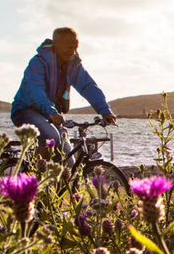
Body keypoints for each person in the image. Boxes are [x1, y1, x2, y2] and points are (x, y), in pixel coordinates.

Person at [11, 27, 117, 159]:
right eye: (69, 47)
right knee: (51, 136)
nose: (73, 52)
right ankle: (35, 177)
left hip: (50, 114)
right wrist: (52, 112)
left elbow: (88, 86)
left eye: (76, 47)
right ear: (56, 43)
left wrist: (105, 110)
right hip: (25, 110)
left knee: (67, 160)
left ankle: (61, 179)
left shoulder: (73, 65)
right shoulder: (38, 62)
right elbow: (35, 89)